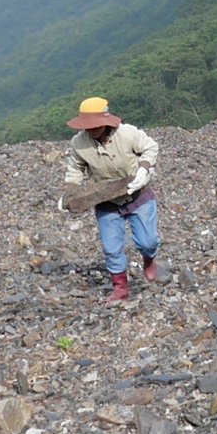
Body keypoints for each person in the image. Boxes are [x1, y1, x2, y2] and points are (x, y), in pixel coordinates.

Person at [60, 97, 160, 302]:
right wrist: (70, 192)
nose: (92, 130)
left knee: (147, 241)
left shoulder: (127, 133)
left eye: (95, 125)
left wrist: (144, 168)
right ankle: (120, 287)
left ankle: (149, 258)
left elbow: (151, 147)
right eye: (88, 126)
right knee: (111, 247)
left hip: (137, 193)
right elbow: (76, 168)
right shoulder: (79, 143)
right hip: (106, 199)